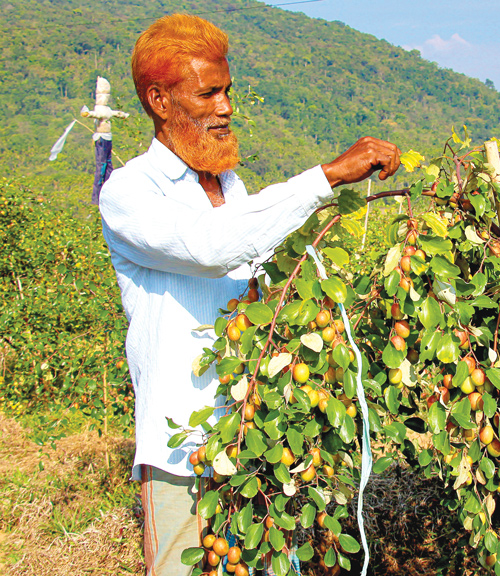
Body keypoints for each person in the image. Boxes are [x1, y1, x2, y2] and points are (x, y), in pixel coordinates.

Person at [98, 14, 401, 576]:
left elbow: (258, 260)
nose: (225, 108)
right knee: (179, 567)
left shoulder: (231, 186)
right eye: (208, 94)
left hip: (255, 434)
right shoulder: (129, 192)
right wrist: (327, 177)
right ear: (160, 101)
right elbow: (214, 247)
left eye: (227, 91)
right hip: (180, 447)